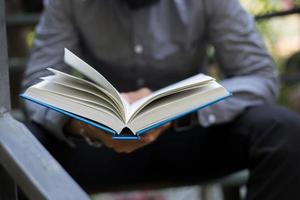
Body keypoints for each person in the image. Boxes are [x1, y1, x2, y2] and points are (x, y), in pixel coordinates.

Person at [22, 0, 300, 199]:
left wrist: (179, 108)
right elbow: (38, 83)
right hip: (98, 144)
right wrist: (80, 122)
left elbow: (259, 76)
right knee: (19, 144)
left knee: (281, 128)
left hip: (192, 137)